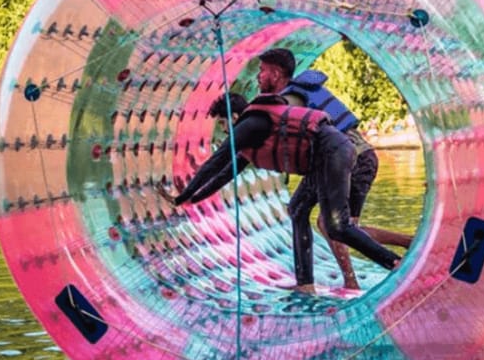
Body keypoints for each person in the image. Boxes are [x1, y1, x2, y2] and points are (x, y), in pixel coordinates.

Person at [161, 92, 401, 294]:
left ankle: (394, 264)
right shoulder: (253, 134)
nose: (225, 132)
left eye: (223, 124)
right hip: (322, 157)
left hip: (333, 152)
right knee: (297, 209)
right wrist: (190, 199)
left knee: (336, 226)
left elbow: (216, 161)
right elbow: (225, 173)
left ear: (234, 117)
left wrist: (183, 196)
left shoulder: (250, 125)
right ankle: (305, 284)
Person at [255, 48, 412, 290]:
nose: (257, 76)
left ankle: (362, 276)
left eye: (262, 71)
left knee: (334, 225)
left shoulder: (292, 99)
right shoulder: (298, 93)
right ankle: (315, 282)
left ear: (275, 74)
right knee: (311, 214)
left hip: (349, 160)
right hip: (357, 158)